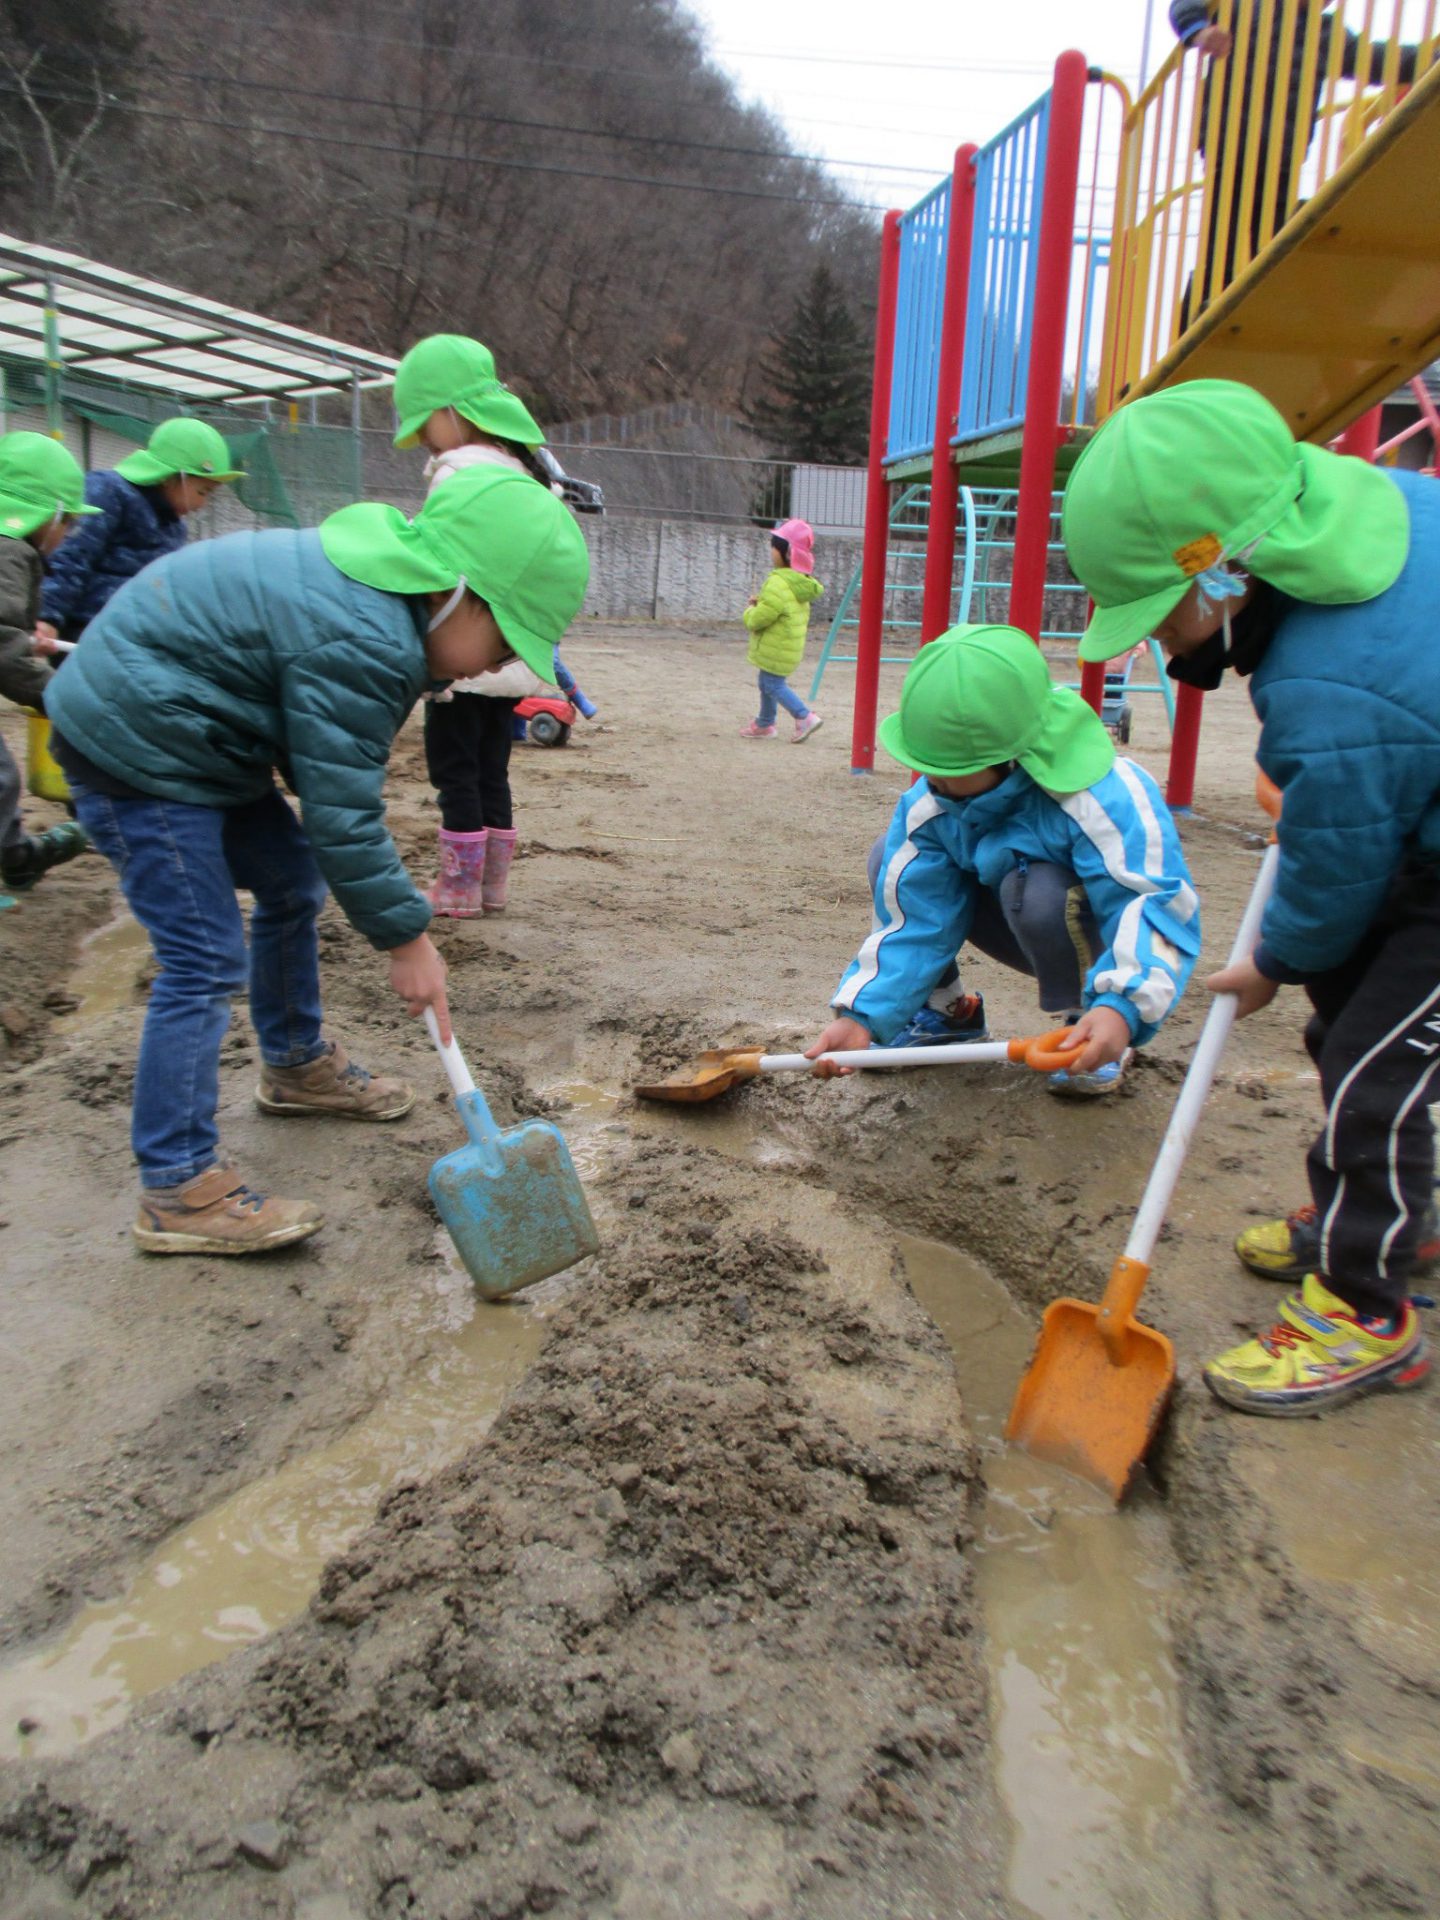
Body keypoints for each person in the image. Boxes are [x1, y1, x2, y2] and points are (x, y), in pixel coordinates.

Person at [45, 465, 589, 1256]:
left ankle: (295, 1063)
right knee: (202, 955)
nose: (494, 664)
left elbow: (323, 764)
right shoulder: (369, 637)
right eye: (504, 639)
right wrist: (407, 939)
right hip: (138, 745)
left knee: (290, 878)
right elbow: (342, 814)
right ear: (459, 592)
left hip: (200, 736)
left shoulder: (383, 605)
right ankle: (177, 1184)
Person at [1063, 376, 1440, 1415]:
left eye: (1159, 617)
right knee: (1353, 1030)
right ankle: (1395, 1219)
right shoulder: (1366, 504)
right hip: (1418, 819)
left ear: (1223, 574)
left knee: (1376, 1069)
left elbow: (1338, 862)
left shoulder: (1329, 687)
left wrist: (1275, 959)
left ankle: (1367, 1313)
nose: (1159, 644)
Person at [803, 623, 1200, 1100]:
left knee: (1041, 890)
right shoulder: (932, 802)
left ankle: (1089, 1022)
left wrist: (1122, 1005)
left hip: (1089, 933)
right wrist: (862, 1016)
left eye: (951, 770)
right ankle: (947, 1012)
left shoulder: (1102, 795)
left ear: (1012, 756)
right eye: (927, 765)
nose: (931, 781)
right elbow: (916, 917)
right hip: (1011, 924)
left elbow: (1149, 901)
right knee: (892, 858)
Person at [392, 331, 576, 914]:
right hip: (509, 659)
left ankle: (458, 887)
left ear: (452, 412)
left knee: (455, 773)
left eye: (424, 422)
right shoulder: (520, 468)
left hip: (464, 657)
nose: (423, 439)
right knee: (493, 771)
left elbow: (440, 561)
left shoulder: (460, 472)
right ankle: (491, 887)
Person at [1171, 0, 1419, 322]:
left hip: (1281, 157)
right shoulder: (1243, 9)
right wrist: (1199, 31)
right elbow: (1184, 4)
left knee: (1273, 243)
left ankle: (1262, 312)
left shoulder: (1324, 33)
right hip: (1231, 146)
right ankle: (1199, 315)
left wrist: (1431, 58)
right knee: (1223, 244)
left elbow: (1380, 60)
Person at [0, 433, 97, 909]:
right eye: (70, 523)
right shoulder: (10, 552)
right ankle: (15, 856)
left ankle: (16, 856)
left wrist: (23, 637)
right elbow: (3, 652)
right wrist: (63, 696)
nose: (67, 534)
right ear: (50, 515)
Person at [39, 417, 243, 640]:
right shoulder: (108, 492)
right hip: (85, 629)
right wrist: (49, 616)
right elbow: (72, 556)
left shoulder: (175, 528)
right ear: (172, 477)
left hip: (135, 635)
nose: (201, 504)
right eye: (202, 492)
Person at [739, 518, 824, 742]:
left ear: (786, 553)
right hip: (788, 646)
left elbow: (760, 618)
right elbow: (781, 607)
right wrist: (763, 602)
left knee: (771, 684)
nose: (771, 551)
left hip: (775, 647)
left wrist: (750, 612)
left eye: (774, 547)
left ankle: (804, 716)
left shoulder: (777, 582)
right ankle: (764, 723)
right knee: (767, 682)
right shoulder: (800, 581)